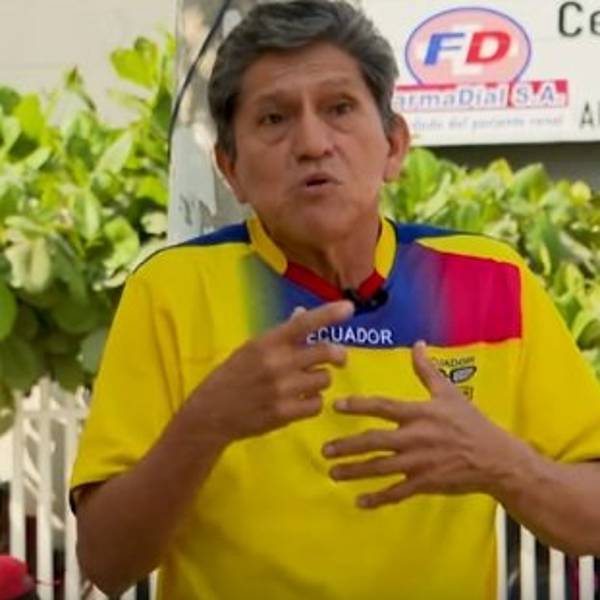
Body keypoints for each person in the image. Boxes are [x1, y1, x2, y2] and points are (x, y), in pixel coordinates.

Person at [70, 1, 600, 598]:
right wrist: (207, 422)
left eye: (339, 108)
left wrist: (500, 463)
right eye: (274, 118)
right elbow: (106, 562)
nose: (312, 143)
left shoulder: (489, 280)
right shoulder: (171, 290)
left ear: (394, 145)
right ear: (230, 169)